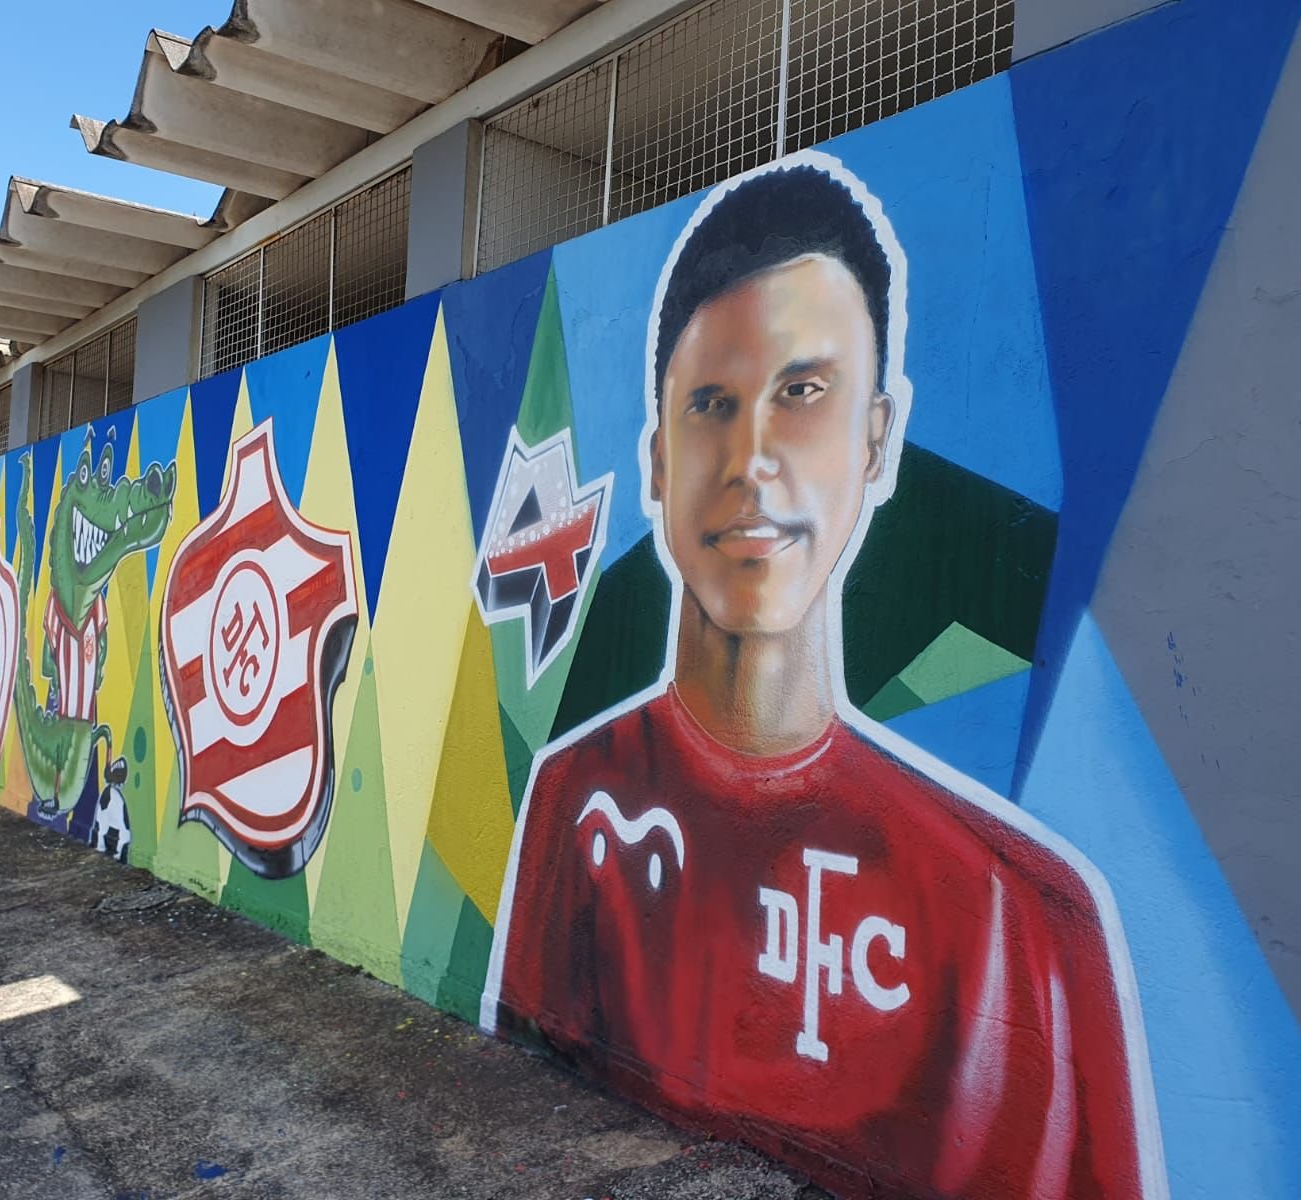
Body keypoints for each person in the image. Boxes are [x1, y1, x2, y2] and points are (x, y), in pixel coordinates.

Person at [482, 155, 1168, 1200]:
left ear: (877, 441)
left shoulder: (1027, 922)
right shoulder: (577, 799)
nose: (751, 459)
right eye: (712, 403)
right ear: (658, 460)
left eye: (802, 393)